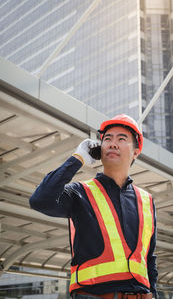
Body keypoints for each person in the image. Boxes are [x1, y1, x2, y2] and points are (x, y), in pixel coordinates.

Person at [30, 114, 158, 299]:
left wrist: (153, 294)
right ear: (100, 148)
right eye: (107, 139)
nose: (113, 144)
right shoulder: (79, 192)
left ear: (136, 152)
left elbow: (149, 258)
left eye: (121, 139)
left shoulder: (146, 200)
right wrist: (78, 158)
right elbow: (40, 200)